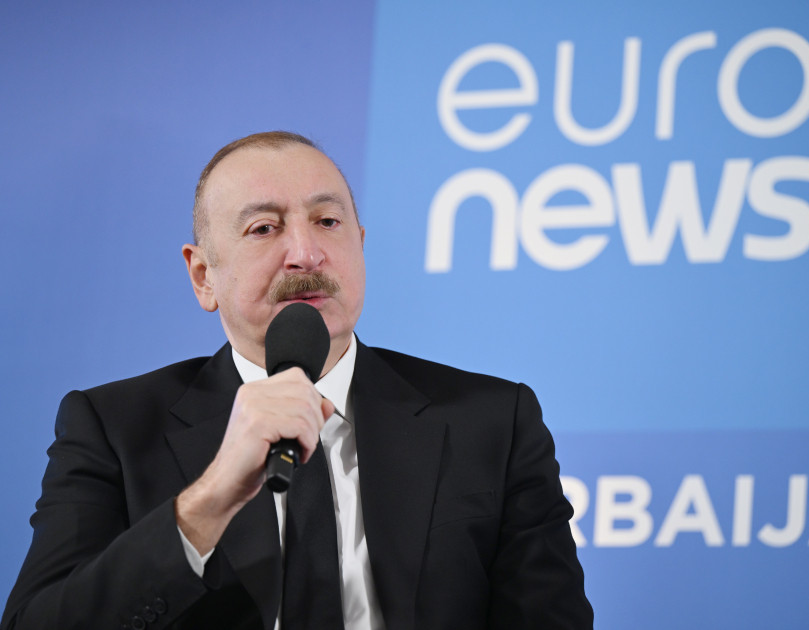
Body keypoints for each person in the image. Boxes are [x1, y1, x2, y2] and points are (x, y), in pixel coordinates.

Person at [1, 131, 593, 630]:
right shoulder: (113, 428)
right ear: (204, 276)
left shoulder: (492, 421)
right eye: (264, 229)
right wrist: (210, 501)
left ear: (360, 247)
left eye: (327, 221)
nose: (306, 254)